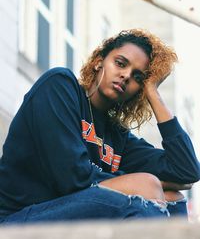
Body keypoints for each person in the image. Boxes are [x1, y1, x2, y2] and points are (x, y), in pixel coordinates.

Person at [0, 29, 199, 224]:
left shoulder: (117, 136)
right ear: (98, 62)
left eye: (138, 77)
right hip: (17, 221)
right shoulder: (59, 86)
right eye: (120, 63)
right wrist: (139, 183)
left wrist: (152, 92)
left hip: (70, 219)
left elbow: (186, 171)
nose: (126, 75)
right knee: (147, 185)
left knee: (173, 197)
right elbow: (72, 178)